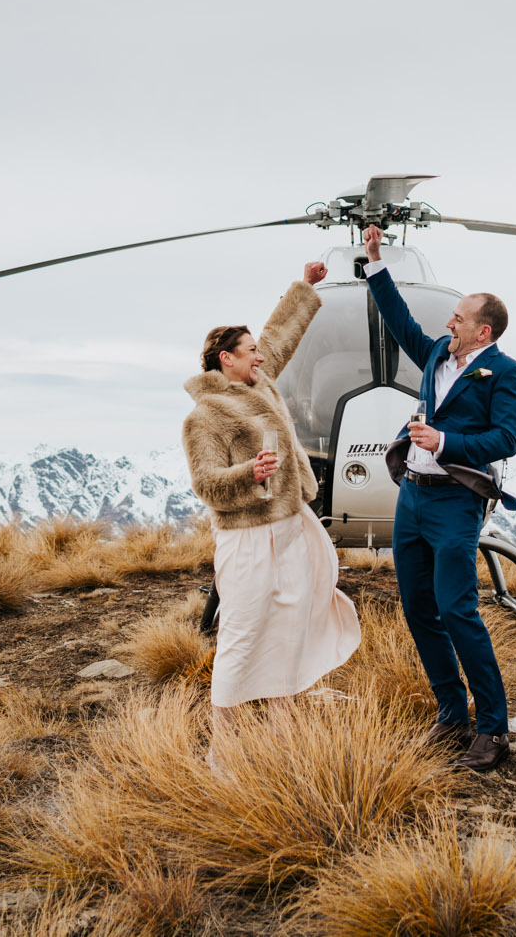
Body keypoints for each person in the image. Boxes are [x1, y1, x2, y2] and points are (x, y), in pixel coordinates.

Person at [360, 222, 516, 772]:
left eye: (458, 317)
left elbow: (507, 439)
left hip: (456, 502)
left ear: (483, 332)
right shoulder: (436, 353)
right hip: (412, 497)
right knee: (418, 610)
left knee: (459, 611)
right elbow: (399, 321)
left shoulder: (505, 373)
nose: (447, 322)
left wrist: (447, 440)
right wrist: (376, 261)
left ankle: (493, 729)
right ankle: (450, 711)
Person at [182, 260, 360, 729]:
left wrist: (305, 286)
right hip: (247, 538)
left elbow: (280, 336)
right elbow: (206, 484)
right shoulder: (205, 416)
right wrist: (248, 474)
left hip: (291, 524)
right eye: (251, 351)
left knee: (289, 622)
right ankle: (225, 741)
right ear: (227, 358)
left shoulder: (261, 385)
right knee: (242, 631)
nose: (260, 357)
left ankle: (282, 723)